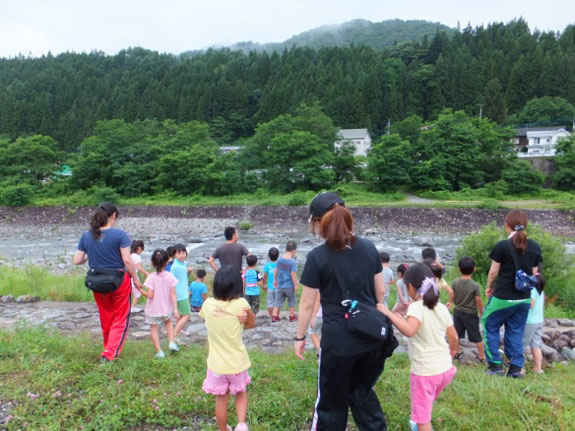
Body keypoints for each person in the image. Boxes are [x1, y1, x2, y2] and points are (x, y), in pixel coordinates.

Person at [294, 192, 389, 431]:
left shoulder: (317, 257)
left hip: (338, 344)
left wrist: (299, 337)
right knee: (362, 394)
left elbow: (306, 304)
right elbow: (380, 293)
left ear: (318, 223)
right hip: (372, 338)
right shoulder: (369, 248)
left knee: (330, 405)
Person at [378, 263, 458, 431]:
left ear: (411, 287)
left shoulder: (416, 307)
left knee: (423, 419)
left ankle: (421, 423)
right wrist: (451, 351)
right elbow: (454, 336)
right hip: (445, 369)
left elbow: (409, 331)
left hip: (425, 372)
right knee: (425, 406)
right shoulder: (441, 307)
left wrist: (388, 313)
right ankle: (420, 419)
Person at [73, 202, 142, 362]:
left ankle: (108, 349)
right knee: (121, 318)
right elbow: (127, 260)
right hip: (118, 281)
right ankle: (109, 355)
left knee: (106, 317)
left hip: (96, 282)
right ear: (114, 216)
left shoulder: (87, 235)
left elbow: (77, 260)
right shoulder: (120, 235)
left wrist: (92, 252)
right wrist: (136, 279)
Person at [483, 210, 542, 378]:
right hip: (523, 298)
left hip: (502, 297)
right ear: (526, 225)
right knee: (515, 331)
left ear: (506, 226)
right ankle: (516, 369)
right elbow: (534, 274)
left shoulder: (502, 246)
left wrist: (489, 287)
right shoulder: (535, 247)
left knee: (489, 324)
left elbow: (493, 272)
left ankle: (495, 366)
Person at [200, 266, 256, 431]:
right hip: (237, 363)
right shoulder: (241, 305)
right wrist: (248, 316)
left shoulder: (208, 304)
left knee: (221, 399)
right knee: (240, 393)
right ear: (238, 287)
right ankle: (241, 424)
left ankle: (223, 429)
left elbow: (209, 318)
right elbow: (251, 324)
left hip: (217, 365)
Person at [136, 249, 180, 358]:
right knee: (168, 323)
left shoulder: (151, 278)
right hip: (166, 308)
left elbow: (150, 295)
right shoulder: (170, 276)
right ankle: (171, 342)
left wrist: (140, 290)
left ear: (152, 263)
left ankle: (159, 352)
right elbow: (173, 293)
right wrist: (175, 308)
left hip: (153, 310)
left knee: (154, 329)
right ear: (167, 262)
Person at [451, 256, 486, 363]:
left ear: (459, 269)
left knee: (457, 333)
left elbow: (452, 295)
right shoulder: (475, 285)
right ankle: (482, 356)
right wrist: (482, 312)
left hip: (457, 312)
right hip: (470, 314)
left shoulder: (455, 282)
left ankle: (457, 351)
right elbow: (478, 301)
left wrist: (451, 302)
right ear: (474, 269)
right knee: (476, 335)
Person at [523, 273, 546, 374]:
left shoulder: (531, 290)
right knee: (536, 345)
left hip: (530, 322)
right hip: (539, 320)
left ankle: (519, 368)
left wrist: (520, 303)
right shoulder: (540, 291)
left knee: (521, 345)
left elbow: (531, 305)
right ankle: (538, 369)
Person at [170, 243, 193, 339]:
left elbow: (184, 277)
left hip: (184, 292)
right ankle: (173, 336)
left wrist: (189, 271)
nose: (182, 255)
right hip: (180, 294)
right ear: (174, 254)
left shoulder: (183, 263)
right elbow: (172, 282)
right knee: (187, 315)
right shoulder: (175, 267)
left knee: (180, 315)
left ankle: (177, 332)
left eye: (183, 253)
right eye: (179, 253)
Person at [273, 241, 299, 322]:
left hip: (280, 285)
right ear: (294, 251)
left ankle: (274, 316)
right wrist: (296, 284)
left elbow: (276, 270)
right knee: (292, 300)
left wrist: (274, 280)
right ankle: (291, 316)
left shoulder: (279, 260)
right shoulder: (293, 262)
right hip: (289, 285)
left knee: (278, 300)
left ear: (285, 249)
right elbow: (293, 274)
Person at [130, 239, 149, 313]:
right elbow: (139, 267)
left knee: (130, 294)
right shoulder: (136, 256)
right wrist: (146, 273)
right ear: (139, 248)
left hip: (129, 277)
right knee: (138, 293)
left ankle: (129, 307)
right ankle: (132, 307)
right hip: (134, 278)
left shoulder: (130, 255)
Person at [262, 247, 279, 318]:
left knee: (270, 303)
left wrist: (264, 284)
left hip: (270, 287)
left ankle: (271, 316)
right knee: (277, 303)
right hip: (278, 288)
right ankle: (276, 316)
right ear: (278, 255)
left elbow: (265, 276)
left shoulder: (267, 266)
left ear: (269, 256)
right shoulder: (280, 265)